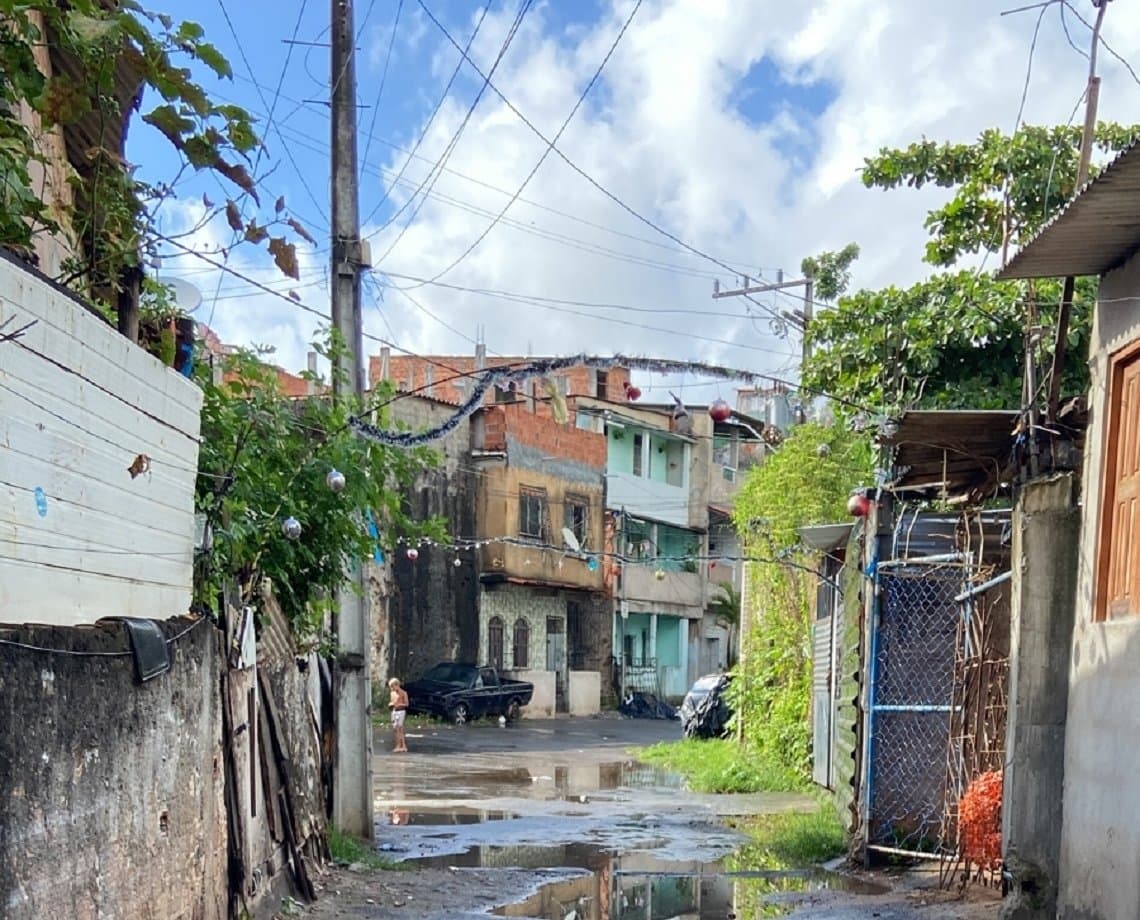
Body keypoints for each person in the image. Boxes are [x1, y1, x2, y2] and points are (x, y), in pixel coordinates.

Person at [388, 677, 409, 753]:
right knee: (395, 729)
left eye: (392, 686)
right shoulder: (392, 693)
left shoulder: (404, 693)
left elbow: (407, 704)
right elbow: (391, 701)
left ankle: (403, 745)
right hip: (394, 711)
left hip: (401, 711)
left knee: (400, 728)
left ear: (397, 685)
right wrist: (391, 704)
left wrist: (399, 704)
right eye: (391, 687)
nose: (392, 688)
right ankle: (398, 745)